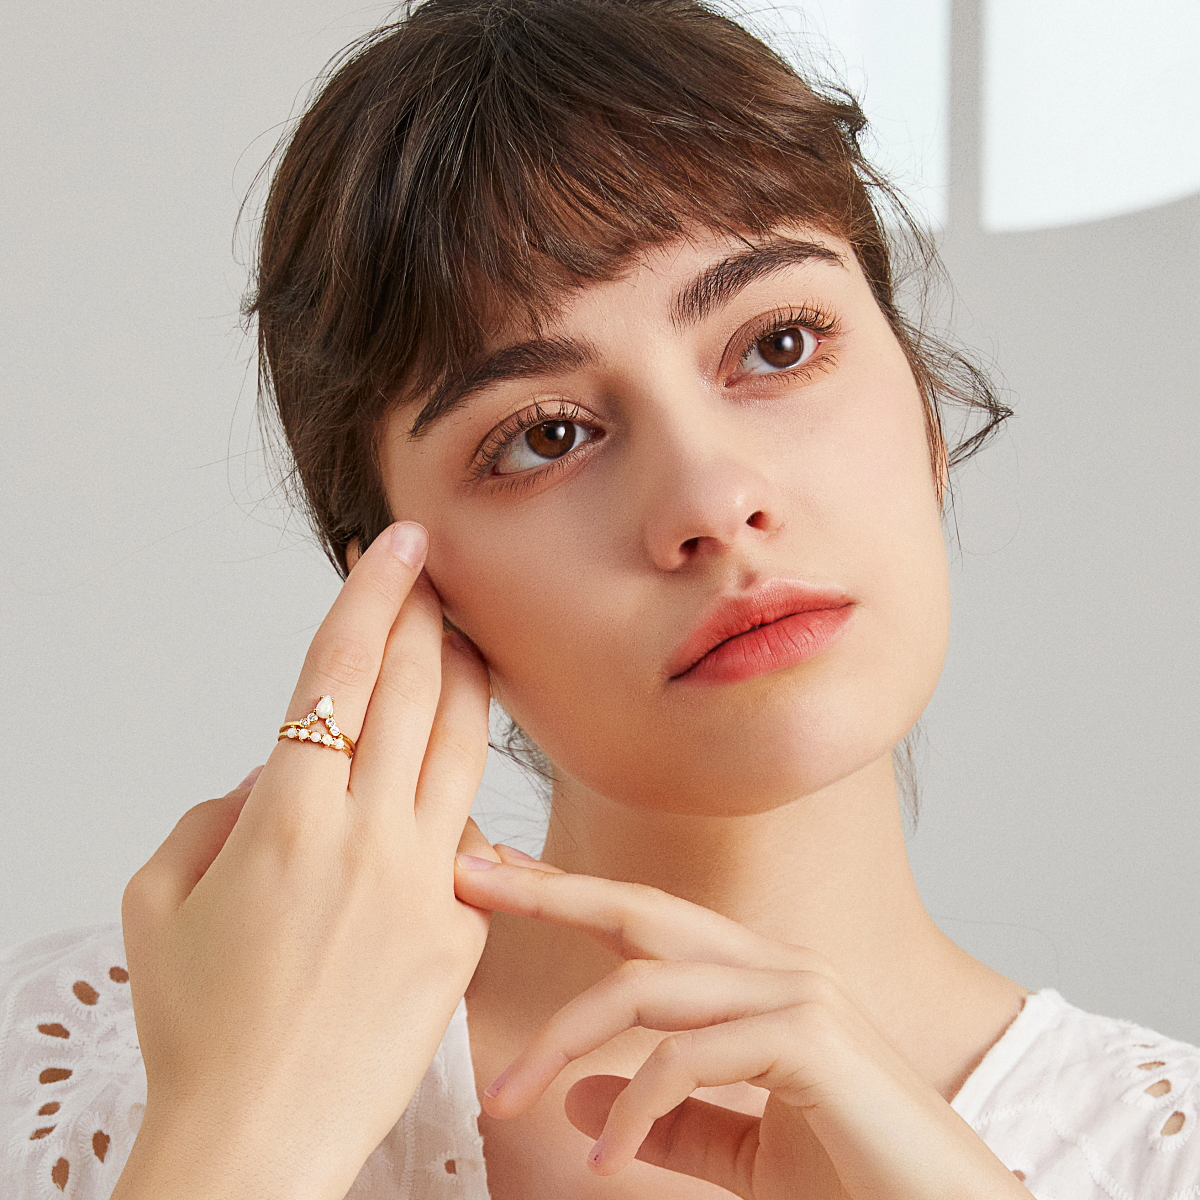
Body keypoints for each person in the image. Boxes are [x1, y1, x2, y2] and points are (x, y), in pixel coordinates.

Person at [3, 0, 1197, 1197]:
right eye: (547, 434)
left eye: (778, 344)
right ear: (402, 588)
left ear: (924, 406)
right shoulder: (90, 1065)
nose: (712, 500)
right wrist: (244, 1137)